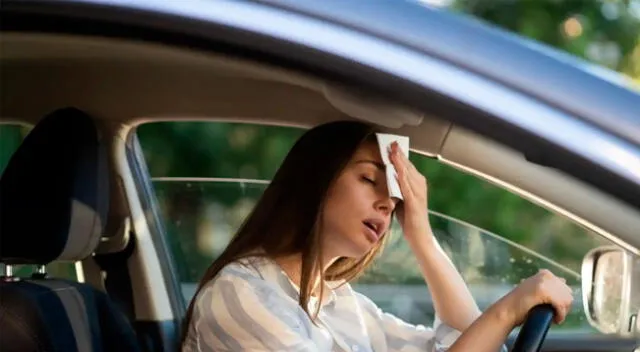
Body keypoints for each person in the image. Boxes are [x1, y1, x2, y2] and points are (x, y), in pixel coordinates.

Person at [181, 121, 574, 352]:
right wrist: (508, 310)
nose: (388, 203)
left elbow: (468, 342)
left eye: (395, 194)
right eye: (369, 179)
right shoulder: (239, 296)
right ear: (315, 181)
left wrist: (420, 236)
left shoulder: (341, 304)